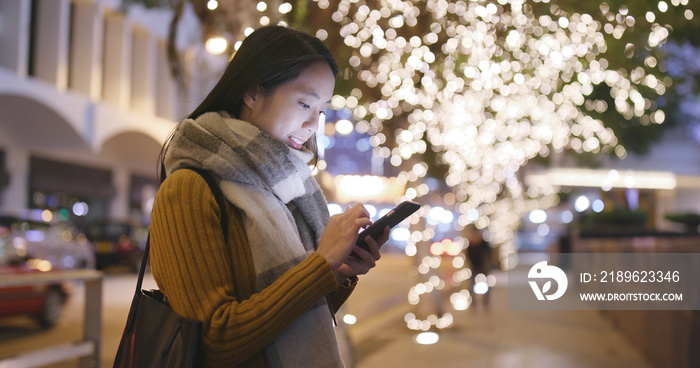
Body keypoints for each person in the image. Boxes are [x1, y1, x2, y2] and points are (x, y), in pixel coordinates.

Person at [148, 25, 389, 368]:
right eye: (304, 103)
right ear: (253, 92)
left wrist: (336, 272)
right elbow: (213, 341)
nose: (312, 125)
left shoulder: (287, 189)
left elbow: (293, 323)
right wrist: (319, 265)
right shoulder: (189, 188)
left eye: (321, 111)